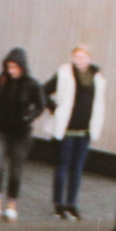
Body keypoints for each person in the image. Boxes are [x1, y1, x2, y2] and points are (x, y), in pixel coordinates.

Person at [0, 48, 45, 224]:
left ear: (23, 67)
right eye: (9, 66)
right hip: (2, 129)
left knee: (16, 171)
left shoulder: (32, 84)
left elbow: (41, 105)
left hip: (21, 133)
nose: (12, 70)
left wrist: (29, 117)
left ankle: (11, 206)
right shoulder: (2, 81)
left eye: (15, 67)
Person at [41, 46, 102, 220]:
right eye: (76, 56)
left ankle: (72, 203)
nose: (79, 60)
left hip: (84, 131)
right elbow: (44, 89)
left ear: (89, 59)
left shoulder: (96, 78)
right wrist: (54, 108)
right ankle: (58, 204)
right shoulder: (64, 74)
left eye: (82, 56)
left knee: (77, 168)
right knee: (62, 166)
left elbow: (98, 103)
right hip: (66, 130)